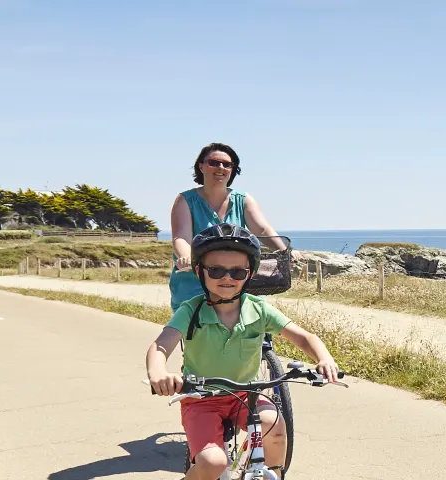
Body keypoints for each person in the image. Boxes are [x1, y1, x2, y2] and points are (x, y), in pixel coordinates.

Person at [144, 223, 341, 480]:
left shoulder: (259, 309)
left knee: (276, 427)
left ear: (250, 274)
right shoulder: (191, 310)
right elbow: (161, 345)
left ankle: (271, 473)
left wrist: (324, 358)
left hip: (246, 394)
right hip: (201, 399)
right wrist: (158, 372)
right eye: (216, 270)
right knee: (213, 463)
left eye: (237, 272)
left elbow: (305, 338)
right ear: (198, 271)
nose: (227, 278)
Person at [170, 143, 289, 309]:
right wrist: (185, 257)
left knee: (257, 318)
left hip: (235, 280)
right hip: (196, 280)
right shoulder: (185, 200)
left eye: (227, 164)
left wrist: (285, 251)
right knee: (192, 324)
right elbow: (181, 236)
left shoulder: (243, 199)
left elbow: (263, 230)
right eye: (214, 162)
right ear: (201, 166)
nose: (220, 167)